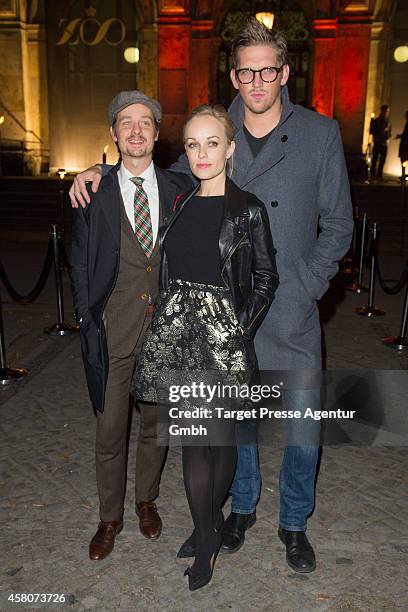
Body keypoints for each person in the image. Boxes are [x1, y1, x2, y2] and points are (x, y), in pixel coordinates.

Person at [69, 19, 353, 574]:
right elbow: (153, 176)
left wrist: (309, 284)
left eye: (267, 70)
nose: (256, 81)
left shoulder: (319, 134)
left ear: (284, 72)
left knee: (301, 424)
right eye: (245, 70)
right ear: (234, 73)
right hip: (220, 319)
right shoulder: (215, 134)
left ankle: (294, 522)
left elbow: (339, 224)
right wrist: (99, 172)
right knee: (232, 423)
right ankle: (240, 509)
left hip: (289, 306)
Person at [133, 104, 278, 590]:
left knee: (221, 443)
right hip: (181, 340)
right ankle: (206, 530)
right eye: (192, 144)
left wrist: (238, 328)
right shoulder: (179, 201)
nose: (201, 153)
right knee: (195, 445)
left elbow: (265, 277)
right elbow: (130, 173)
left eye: (212, 142)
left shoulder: (248, 208)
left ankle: (208, 529)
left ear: (230, 148)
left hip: (225, 339)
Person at [69, 90, 192, 561]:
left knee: (157, 424)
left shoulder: (182, 187)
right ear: (114, 133)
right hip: (112, 327)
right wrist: (87, 317)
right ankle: (109, 516)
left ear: (158, 134)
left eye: (145, 122)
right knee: (110, 427)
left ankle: (146, 500)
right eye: (126, 122)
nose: (136, 130)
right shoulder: (93, 193)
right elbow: (79, 262)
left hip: (164, 330)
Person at [370, 104, 392, 179]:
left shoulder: (388, 122)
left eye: (387, 111)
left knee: (382, 160)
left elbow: (389, 134)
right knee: (375, 160)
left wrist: (388, 135)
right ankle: (372, 174)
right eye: (385, 110)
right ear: (382, 111)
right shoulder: (376, 121)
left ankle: (379, 175)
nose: (386, 112)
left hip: (384, 143)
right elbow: (372, 131)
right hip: (377, 143)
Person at [396, 110, 408, 182]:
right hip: (405, 145)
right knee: (404, 160)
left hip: (405, 146)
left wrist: (401, 136)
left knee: (404, 160)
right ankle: (403, 175)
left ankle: (403, 175)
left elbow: (406, 135)